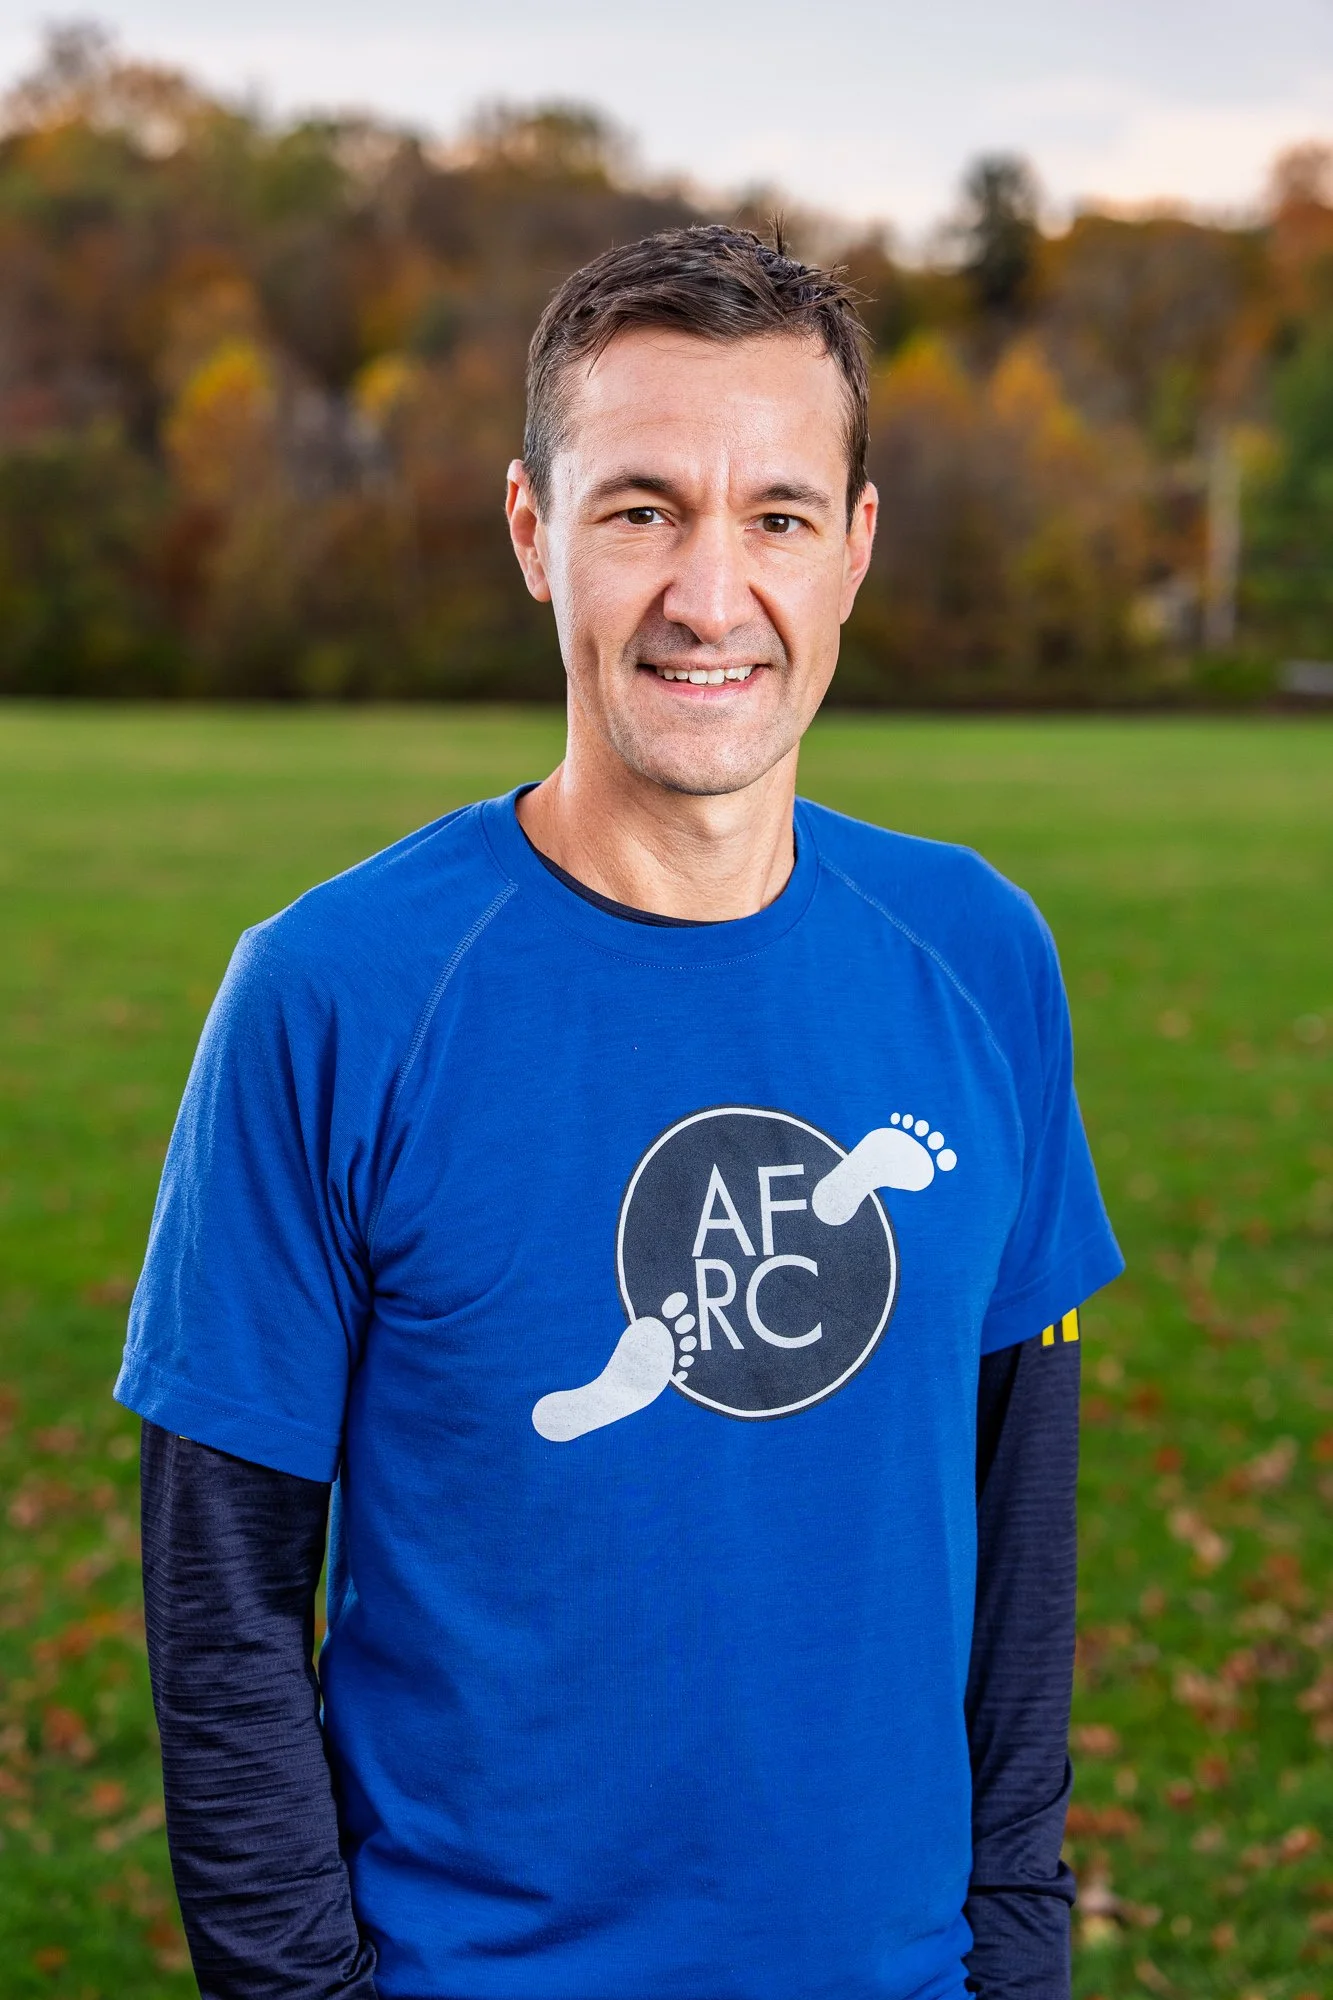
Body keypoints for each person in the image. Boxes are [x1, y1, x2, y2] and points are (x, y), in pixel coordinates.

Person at [116, 225, 1122, 2000]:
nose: (710, 593)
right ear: (535, 535)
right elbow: (223, 1608)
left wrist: (1015, 1955)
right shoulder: (333, 993)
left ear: (856, 552)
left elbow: (1018, 1536)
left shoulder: (979, 954)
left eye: (779, 517)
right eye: (642, 508)